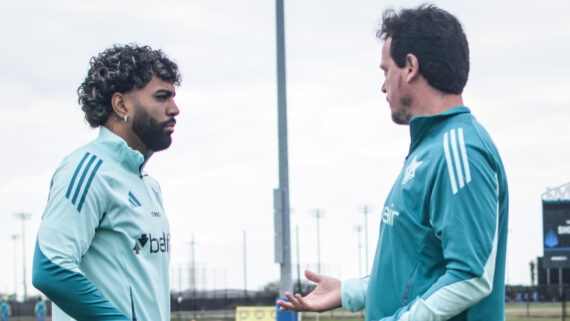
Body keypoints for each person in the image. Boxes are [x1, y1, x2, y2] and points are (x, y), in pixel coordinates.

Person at [277, 4, 508, 321]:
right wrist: (350, 291)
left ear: (410, 67)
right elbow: (418, 269)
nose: (383, 86)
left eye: (386, 71)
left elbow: (471, 276)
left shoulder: (461, 151)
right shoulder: (429, 147)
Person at [32, 44, 181, 321]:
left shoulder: (150, 187)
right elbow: (50, 268)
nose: (175, 109)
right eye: (162, 97)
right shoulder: (87, 169)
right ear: (121, 104)